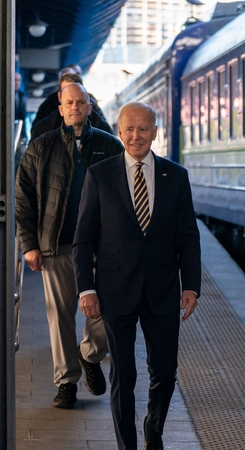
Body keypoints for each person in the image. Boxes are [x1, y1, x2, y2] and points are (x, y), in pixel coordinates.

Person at [72, 101, 201, 450]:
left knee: (164, 372)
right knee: (123, 374)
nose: (135, 136)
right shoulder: (100, 174)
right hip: (115, 290)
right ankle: (127, 445)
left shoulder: (176, 177)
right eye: (129, 129)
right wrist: (86, 289)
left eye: (143, 129)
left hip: (162, 288)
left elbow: (188, 235)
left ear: (155, 132)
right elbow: (83, 238)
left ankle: (153, 432)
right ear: (119, 131)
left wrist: (191, 285)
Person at [15, 83, 124, 409]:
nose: (75, 107)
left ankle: (90, 353)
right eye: (69, 102)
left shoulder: (110, 146)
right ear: (60, 109)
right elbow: (23, 199)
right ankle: (66, 384)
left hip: (100, 248)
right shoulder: (41, 147)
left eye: (81, 102)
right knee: (58, 316)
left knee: (106, 310)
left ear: (90, 107)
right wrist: (29, 245)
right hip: (57, 246)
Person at [29, 73, 113, 143]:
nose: (74, 107)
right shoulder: (43, 128)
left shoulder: (101, 127)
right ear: (59, 97)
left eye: (77, 92)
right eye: (66, 91)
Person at [31, 64, 105, 129]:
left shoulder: (92, 102)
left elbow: (104, 128)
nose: (74, 107)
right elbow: (37, 130)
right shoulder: (49, 104)